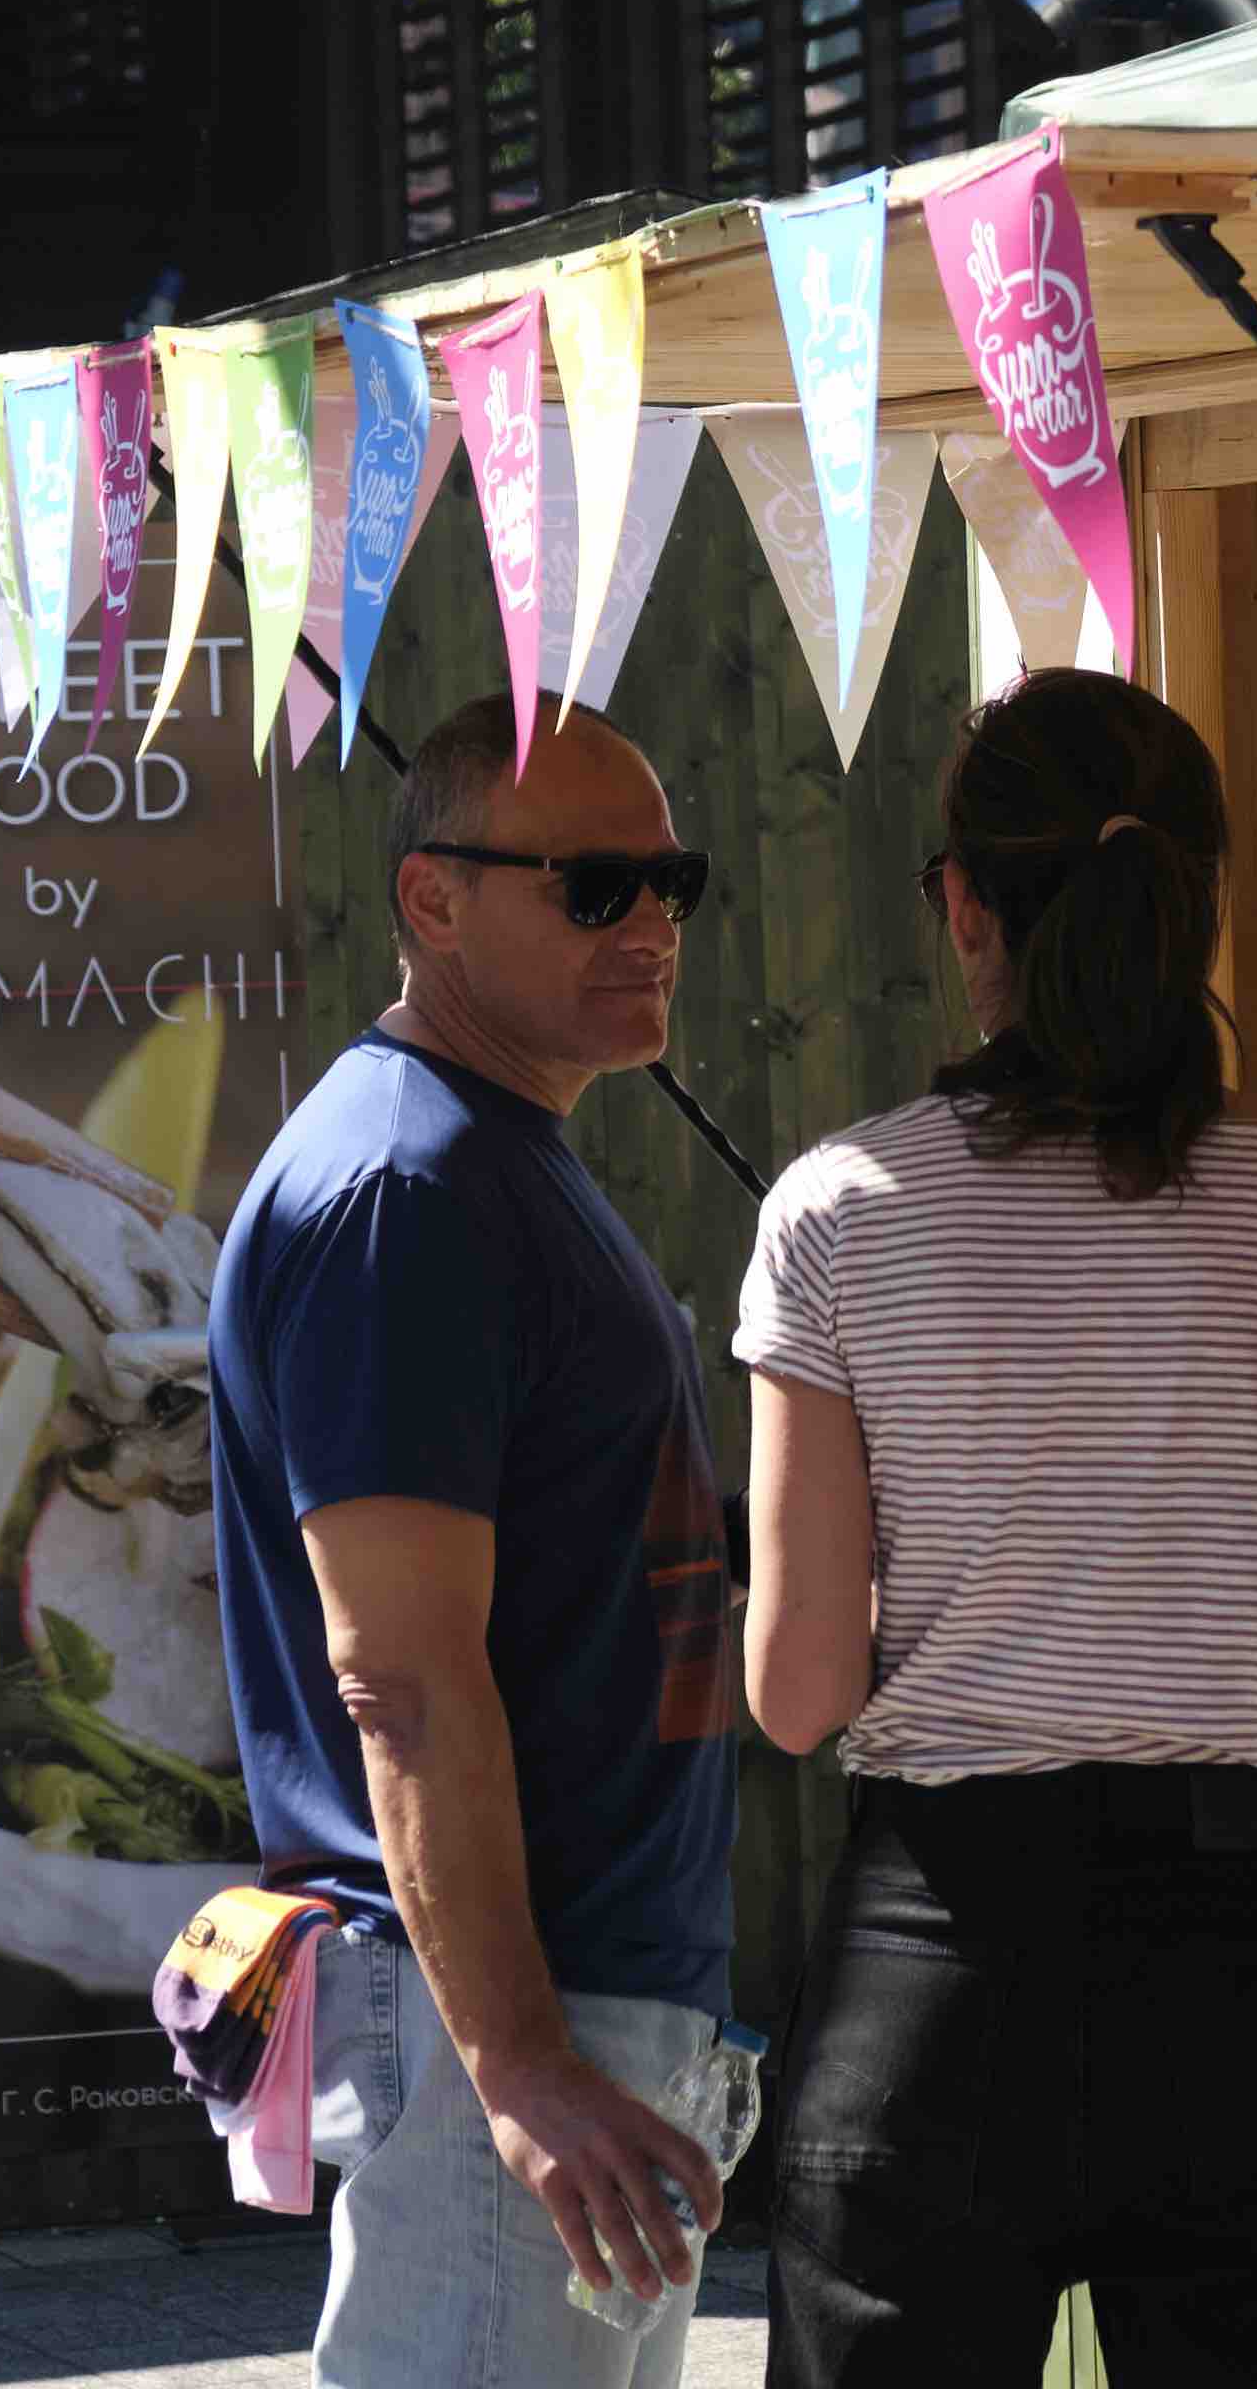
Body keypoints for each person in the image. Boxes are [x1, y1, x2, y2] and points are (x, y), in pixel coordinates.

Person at [734, 668, 1257, 2389]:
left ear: (963, 906)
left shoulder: (839, 1214)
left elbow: (797, 1691)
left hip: (943, 1963)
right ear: (1201, 898)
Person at [212, 696, 750, 2387]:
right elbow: (401, 1673)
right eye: (595, 887)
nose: (651, 923)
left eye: (672, 882)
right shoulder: (409, 1190)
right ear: (430, 900)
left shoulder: (488, 1160)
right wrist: (521, 2070)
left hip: (577, 2010)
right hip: (506, 2026)